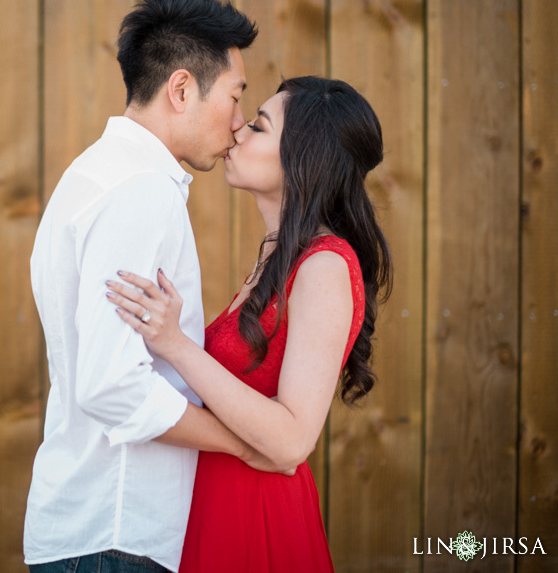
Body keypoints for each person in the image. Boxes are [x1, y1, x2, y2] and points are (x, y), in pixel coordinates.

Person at [24, 0, 291, 573]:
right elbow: (111, 385)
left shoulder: (96, 173)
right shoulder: (139, 190)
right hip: (115, 531)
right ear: (180, 89)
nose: (240, 119)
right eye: (234, 95)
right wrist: (244, 444)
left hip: (96, 527)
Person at [106, 76, 393, 571]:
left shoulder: (324, 266)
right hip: (214, 502)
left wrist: (176, 344)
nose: (237, 130)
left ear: (304, 157)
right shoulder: (279, 258)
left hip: (254, 514)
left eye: (258, 126)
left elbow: (292, 440)